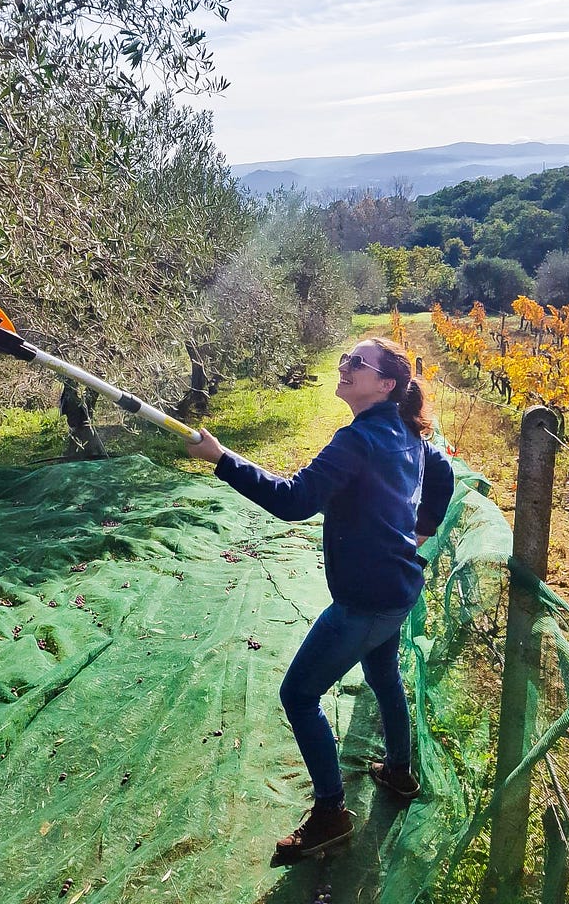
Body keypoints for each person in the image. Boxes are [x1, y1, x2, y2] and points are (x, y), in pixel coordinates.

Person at [188, 337, 454, 863]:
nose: (346, 366)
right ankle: (398, 771)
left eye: (358, 362)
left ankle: (331, 814)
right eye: (345, 359)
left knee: (299, 696)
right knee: (384, 676)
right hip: (399, 588)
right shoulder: (405, 433)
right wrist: (422, 530)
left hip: (364, 602)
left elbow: (295, 501)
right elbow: (441, 469)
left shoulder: (359, 439)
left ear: (386, 384)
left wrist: (222, 459)